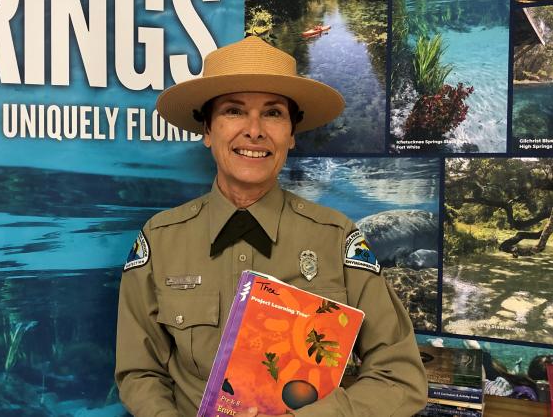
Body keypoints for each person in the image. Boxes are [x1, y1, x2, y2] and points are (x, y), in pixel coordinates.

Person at [114, 36, 428, 416]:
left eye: (274, 113)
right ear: (208, 131)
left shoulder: (336, 237)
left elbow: (401, 376)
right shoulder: (160, 240)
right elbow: (139, 372)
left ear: (291, 135)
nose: (255, 130)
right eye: (233, 111)